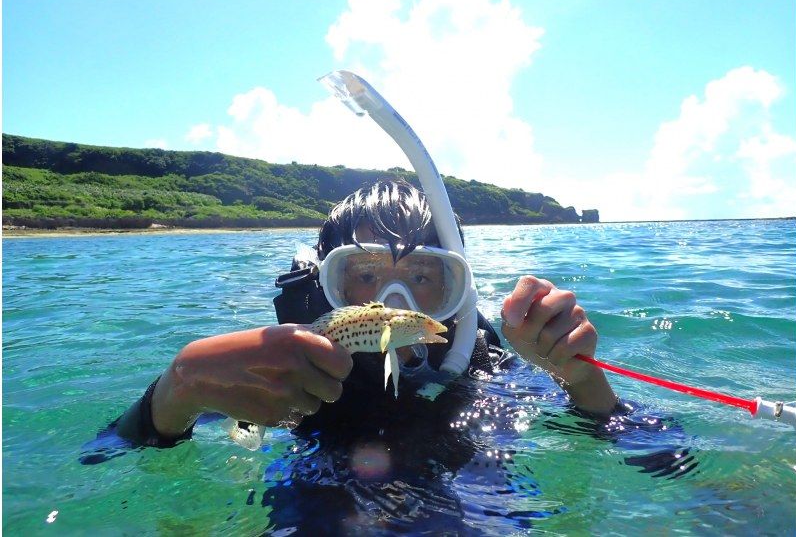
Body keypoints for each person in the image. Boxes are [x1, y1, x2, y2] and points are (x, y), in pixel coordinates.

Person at [110, 179, 619, 447]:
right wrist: (177, 390)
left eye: (422, 278)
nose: (393, 305)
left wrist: (576, 377)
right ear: (326, 285)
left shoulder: (480, 364)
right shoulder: (283, 374)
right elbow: (107, 453)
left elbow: (635, 443)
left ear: (456, 290)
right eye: (366, 278)